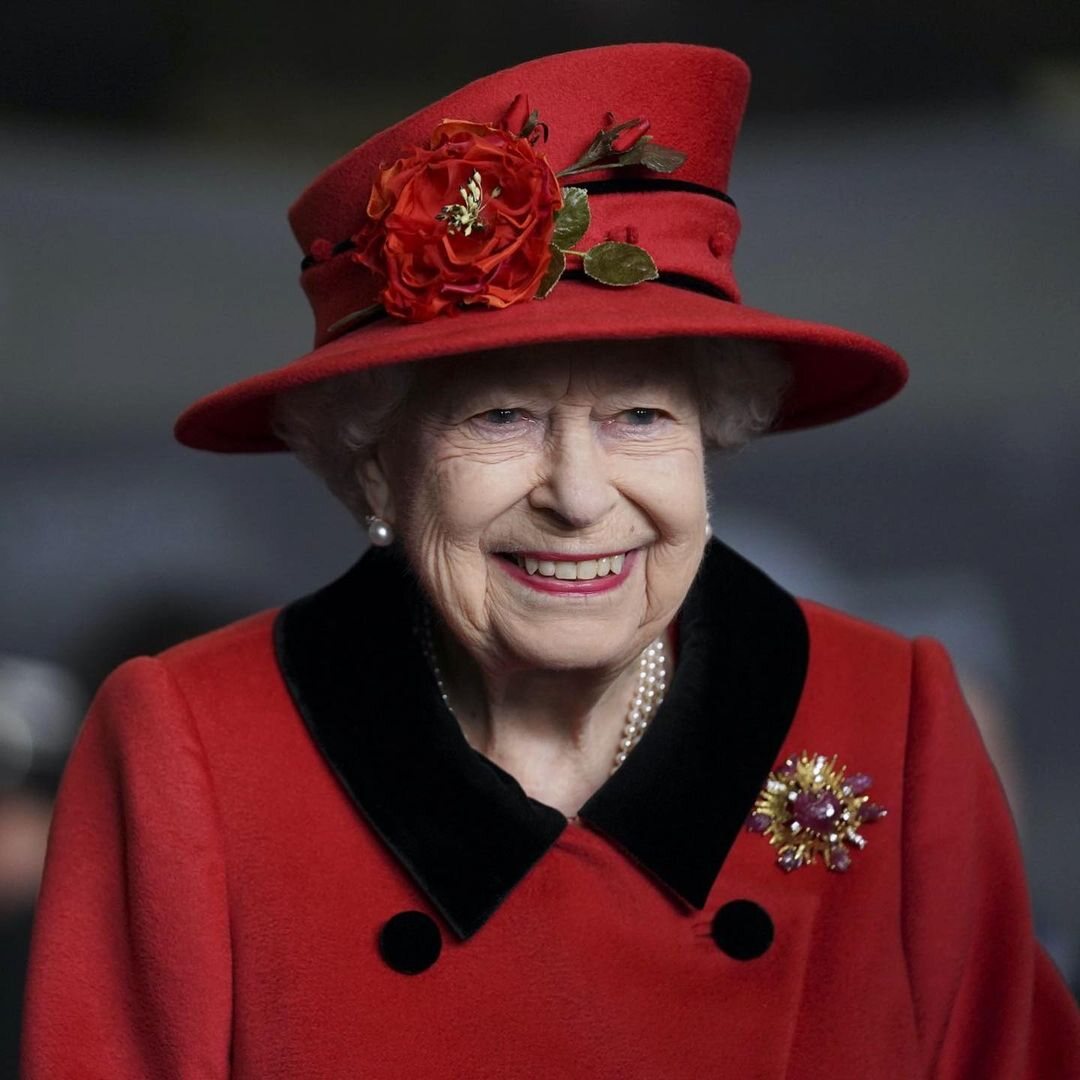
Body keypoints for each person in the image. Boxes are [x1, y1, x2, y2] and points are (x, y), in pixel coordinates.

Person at [21, 42, 1080, 1079]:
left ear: (712, 437)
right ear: (376, 467)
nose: (579, 496)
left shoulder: (891, 718)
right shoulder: (192, 749)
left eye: (639, 416)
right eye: (500, 416)